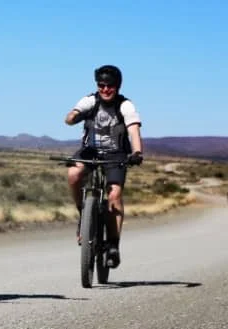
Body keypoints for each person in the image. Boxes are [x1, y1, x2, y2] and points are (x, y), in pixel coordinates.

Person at [63, 64, 144, 269]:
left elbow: (133, 130)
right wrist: (74, 116)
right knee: (73, 173)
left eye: (110, 86)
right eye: (102, 85)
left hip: (116, 154)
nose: (105, 89)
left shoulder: (125, 105)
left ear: (117, 87)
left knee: (114, 194)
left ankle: (114, 244)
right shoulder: (90, 100)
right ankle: (84, 215)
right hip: (90, 150)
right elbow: (71, 116)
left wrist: (136, 152)